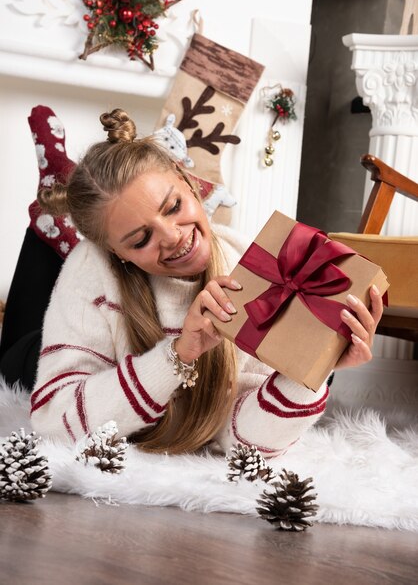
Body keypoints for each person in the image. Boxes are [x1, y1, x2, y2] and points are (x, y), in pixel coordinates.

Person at [27, 109, 383, 456]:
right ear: (114, 251)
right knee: (26, 320)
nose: (173, 236)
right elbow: (51, 423)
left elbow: (247, 443)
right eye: (140, 240)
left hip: (120, 372)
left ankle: (60, 198)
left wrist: (317, 367)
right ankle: (49, 211)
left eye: (173, 207)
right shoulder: (92, 265)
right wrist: (178, 355)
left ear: (188, 181)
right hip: (43, 349)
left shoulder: (251, 270)